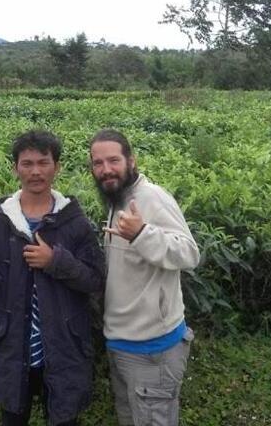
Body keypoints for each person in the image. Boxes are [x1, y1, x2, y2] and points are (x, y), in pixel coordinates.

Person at [0, 130, 105, 426]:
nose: (35, 171)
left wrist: (55, 261)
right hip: (13, 351)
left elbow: (95, 280)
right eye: (27, 164)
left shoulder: (74, 222)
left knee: (65, 419)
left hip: (65, 349)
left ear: (57, 167)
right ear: (15, 168)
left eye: (43, 162)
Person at [88, 129, 200, 426]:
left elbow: (189, 253)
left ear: (131, 161)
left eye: (113, 160)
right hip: (121, 343)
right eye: (98, 163)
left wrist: (142, 234)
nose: (106, 169)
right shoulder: (116, 199)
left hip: (154, 350)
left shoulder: (151, 197)